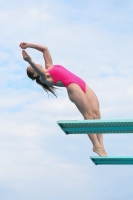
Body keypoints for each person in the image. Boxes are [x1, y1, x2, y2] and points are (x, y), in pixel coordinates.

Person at [20, 42, 107, 156]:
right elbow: (41, 72)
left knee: (96, 113)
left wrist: (29, 45)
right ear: (35, 74)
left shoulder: (50, 66)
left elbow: (45, 49)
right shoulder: (45, 78)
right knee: (88, 115)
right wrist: (29, 61)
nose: (34, 65)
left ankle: (101, 145)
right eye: (32, 68)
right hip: (73, 87)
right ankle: (95, 145)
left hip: (82, 84)